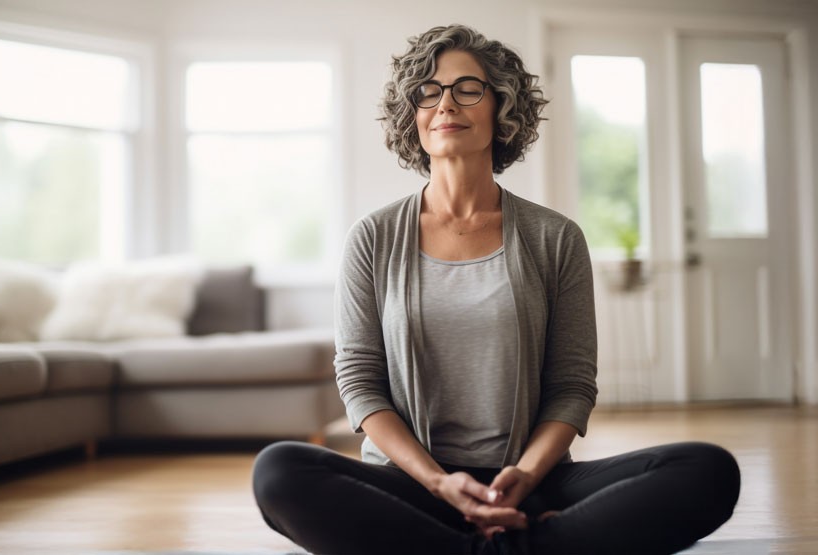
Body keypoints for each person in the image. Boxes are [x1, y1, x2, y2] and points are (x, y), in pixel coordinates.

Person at [252, 24, 740, 555]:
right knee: (278, 471)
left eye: (467, 88)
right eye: (428, 91)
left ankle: (463, 543)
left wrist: (525, 477)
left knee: (707, 470)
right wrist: (441, 483)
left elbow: (572, 386)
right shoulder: (373, 237)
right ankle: (520, 546)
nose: (445, 104)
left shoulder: (556, 238)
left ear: (501, 106)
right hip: (412, 486)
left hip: (530, 483)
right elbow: (360, 384)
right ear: (411, 114)